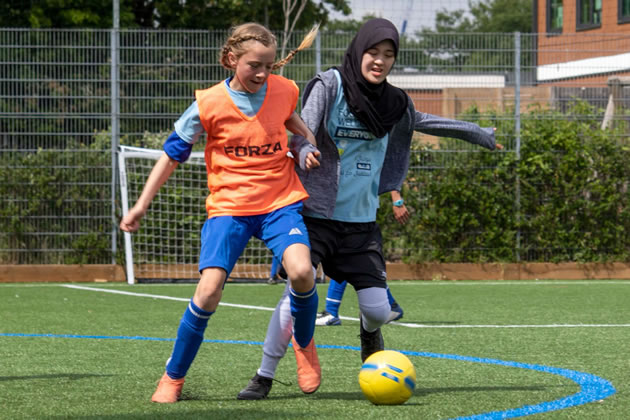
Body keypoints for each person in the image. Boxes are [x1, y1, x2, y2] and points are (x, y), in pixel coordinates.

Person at [237, 18, 502, 400]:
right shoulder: (330, 86)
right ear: (359, 50)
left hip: (361, 224)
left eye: (388, 55)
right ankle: (264, 375)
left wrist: (478, 133)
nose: (379, 61)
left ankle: (369, 331)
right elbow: (301, 131)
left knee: (378, 310)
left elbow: (427, 122)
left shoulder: (396, 103)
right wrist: (308, 150)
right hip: (315, 216)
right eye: (373, 52)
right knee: (296, 294)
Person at [120, 22, 323, 403]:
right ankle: (173, 377)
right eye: (253, 66)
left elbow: (300, 131)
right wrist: (140, 204)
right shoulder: (208, 103)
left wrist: (306, 147)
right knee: (209, 290)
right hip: (229, 207)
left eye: (269, 65)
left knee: (302, 271)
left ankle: (305, 343)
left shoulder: (284, 90)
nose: (262, 74)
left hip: (280, 202)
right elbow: (170, 156)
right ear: (232, 60)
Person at [316, 190, 409, 326]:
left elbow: (389, 170)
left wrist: (397, 200)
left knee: (343, 256)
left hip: (357, 204)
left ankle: (331, 312)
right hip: (348, 202)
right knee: (345, 258)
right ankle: (392, 305)